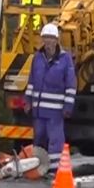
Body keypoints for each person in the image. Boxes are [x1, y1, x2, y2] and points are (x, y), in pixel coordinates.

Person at [24, 22, 76, 159]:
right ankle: (39, 168)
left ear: (56, 40)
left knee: (55, 141)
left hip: (55, 112)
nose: (48, 41)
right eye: (45, 37)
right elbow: (31, 81)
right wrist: (28, 101)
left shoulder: (65, 59)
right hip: (39, 110)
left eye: (51, 38)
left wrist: (68, 107)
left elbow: (71, 85)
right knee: (38, 140)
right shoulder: (37, 58)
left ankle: (54, 170)